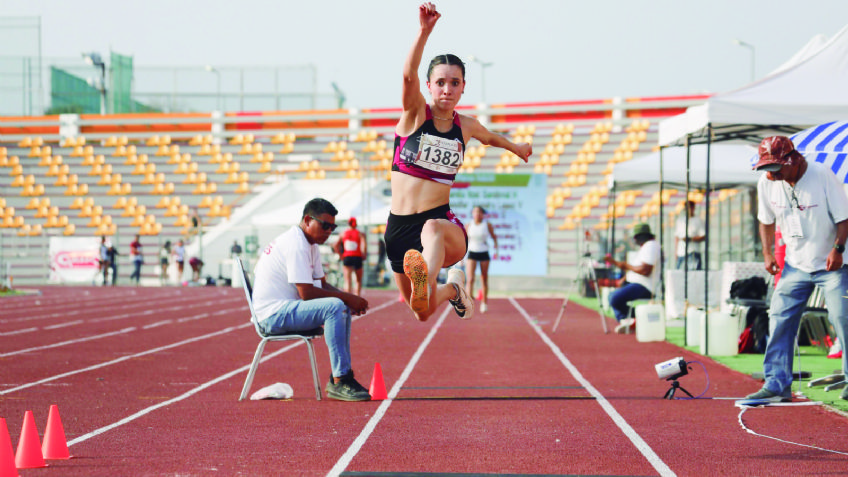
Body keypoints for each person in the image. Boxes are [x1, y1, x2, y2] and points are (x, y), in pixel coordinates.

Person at [385, 2, 532, 322]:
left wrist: (516, 148)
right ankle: (453, 289)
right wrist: (424, 32)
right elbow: (408, 75)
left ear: (463, 87)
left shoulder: (465, 126)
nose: (447, 89)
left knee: (431, 229)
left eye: (455, 82)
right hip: (398, 229)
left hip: (441, 223)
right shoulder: (414, 115)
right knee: (421, 312)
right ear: (429, 86)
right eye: (440, 82)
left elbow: (490, 137)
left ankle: (427, 276)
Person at [746, 136, 848, 402]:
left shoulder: (821, 174)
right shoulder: (767, 182)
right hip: (795, 264)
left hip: (833, 262)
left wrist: (838, 249)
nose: (771, 175)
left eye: (776, 168)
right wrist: (767, 253)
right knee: (779, 318)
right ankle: (777, 384)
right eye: (767, 168)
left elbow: (844, 218)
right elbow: (766, 221)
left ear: (794, 160)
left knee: (843, 318)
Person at [251, 198, 371, 401]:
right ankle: (341, 379)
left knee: (340, 305)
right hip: (272, 315)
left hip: (286, 308)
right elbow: (306, 293)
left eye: (333, 227)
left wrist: (349, 300)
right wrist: (347, 297)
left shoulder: (310, 244)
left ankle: (342, 376)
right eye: (325, 225)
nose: (329, 231)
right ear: (307, 220)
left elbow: (322, 285)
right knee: (335, 306)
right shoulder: (296, 244)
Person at [604, 222, 661, 334]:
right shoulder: (646, 247)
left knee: (614, 298)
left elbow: (645, 270)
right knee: (611, 296)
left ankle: (635, 319)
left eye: (635, 237)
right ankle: (629, 320)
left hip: (645, 286)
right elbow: (636, 268)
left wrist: (626, 266)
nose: (634, 240)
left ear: (641, 236)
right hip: (636, 283)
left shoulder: (651, 246)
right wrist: (624, 278)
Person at [465, 206, 498, 313]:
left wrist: (496, 250)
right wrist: (461, 255)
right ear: (472, 213)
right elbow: (465, 240)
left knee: (484, 278)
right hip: (472, 252)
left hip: (484, 252)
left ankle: (484, 303)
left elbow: (494, 237)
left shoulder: (487, 225)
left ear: (483, 214)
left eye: (479, 212)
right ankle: (468, 302)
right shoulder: (468, 225)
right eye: (475, 212)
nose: (477, 214)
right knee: (470, 279)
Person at [335, 217, 367, 296]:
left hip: (347, 257)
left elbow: (336, 245)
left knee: (347, 280)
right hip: (357, 257)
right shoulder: (360, 234)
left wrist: (340, 255)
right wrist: (364, 254)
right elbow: (364, 245)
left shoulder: (343, 233)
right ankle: (357, 296)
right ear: (356, 224)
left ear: (348, 224)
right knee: (358, 280)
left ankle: (348, 298)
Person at [674, 200, 706, 270]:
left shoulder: (698, 220)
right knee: (679, 273)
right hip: (681, 252)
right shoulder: (680, 220)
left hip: (693, 251)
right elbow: (677, 237)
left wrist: (691, 239)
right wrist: (676, 252)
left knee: (694, 272)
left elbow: (703, 236)